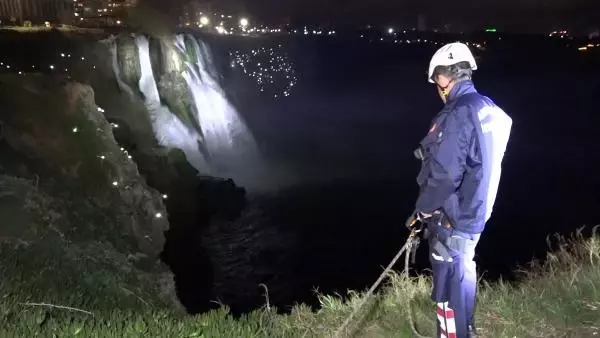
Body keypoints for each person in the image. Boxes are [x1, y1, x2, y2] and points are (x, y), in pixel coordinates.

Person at [406, 42, 513, 338]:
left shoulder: (455, 114)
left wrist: (423, 209)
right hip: (477, 212)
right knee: (464, 272)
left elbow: (444, 174)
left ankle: (453, 334)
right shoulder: (490, 108)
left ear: (442, 78)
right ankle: (467, 330)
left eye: (435, 81)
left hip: (452, 218)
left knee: (448, 284)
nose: (437, 88)